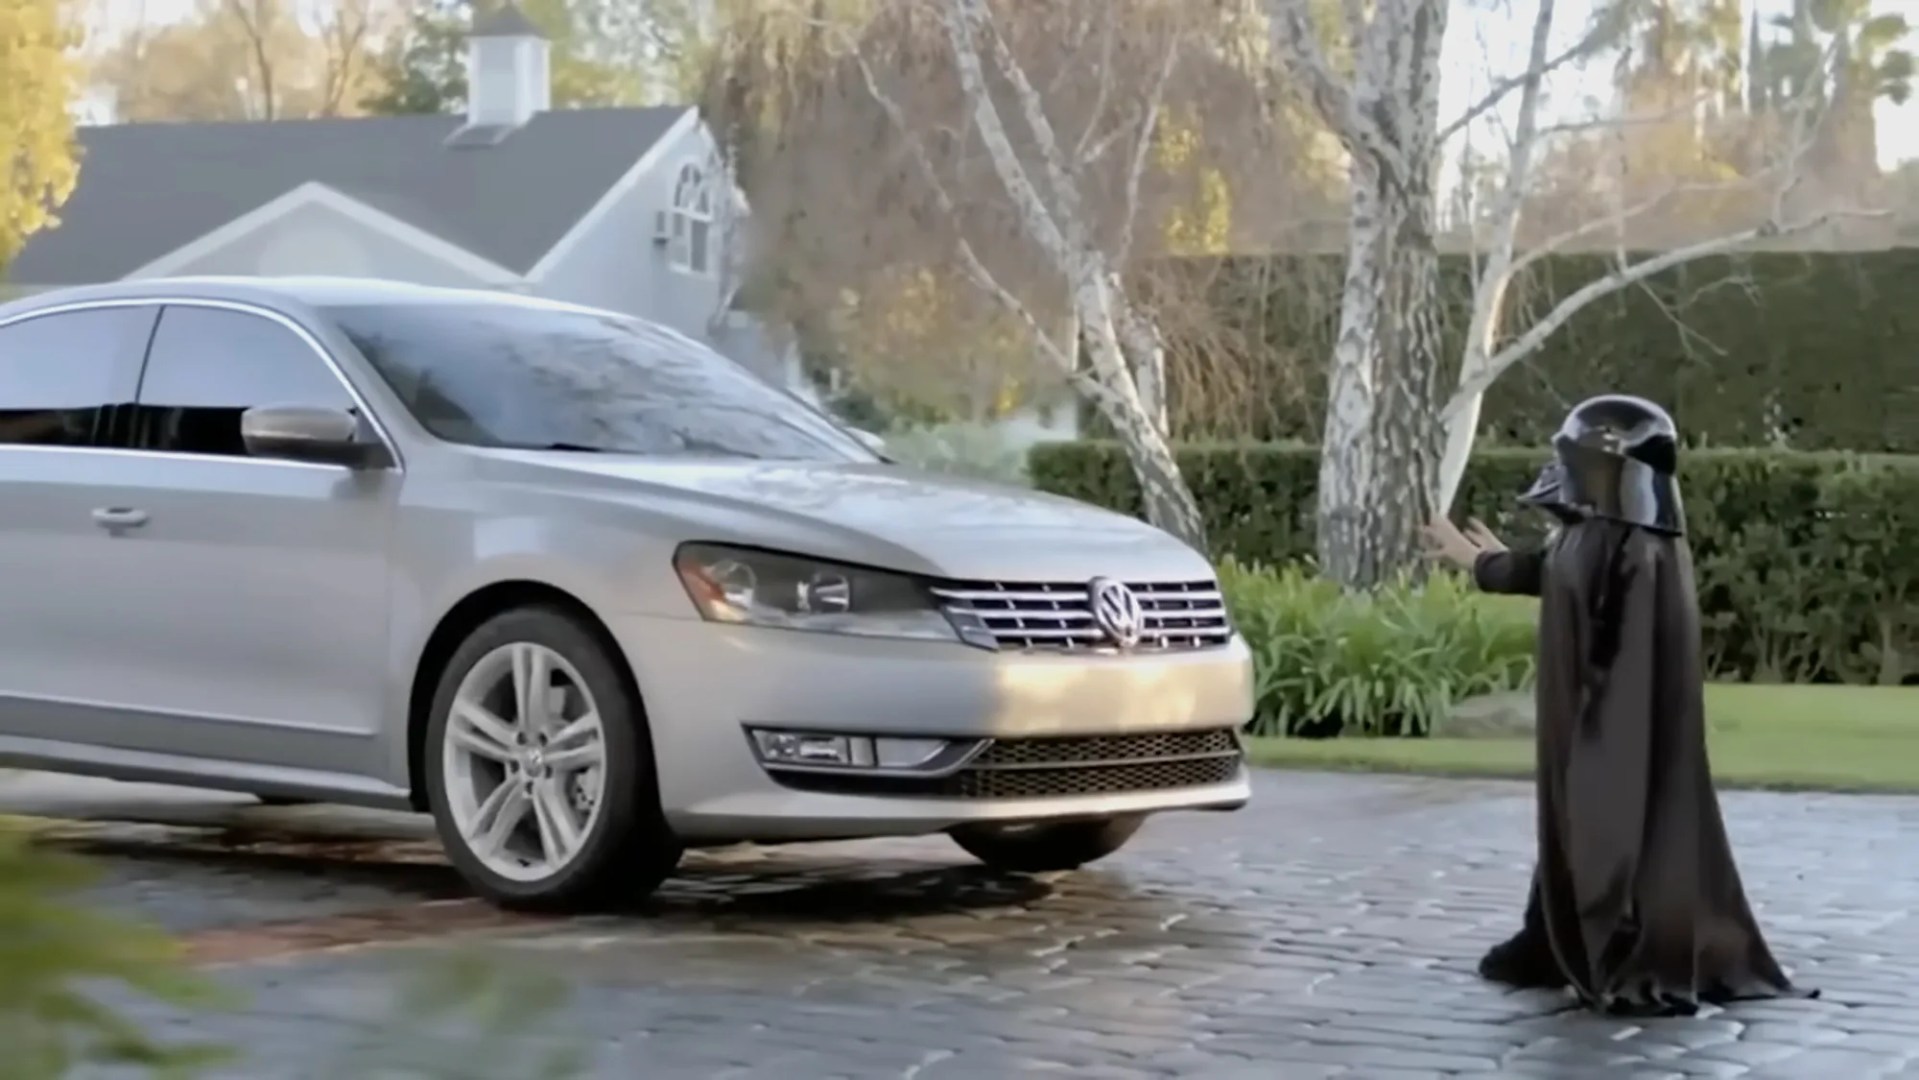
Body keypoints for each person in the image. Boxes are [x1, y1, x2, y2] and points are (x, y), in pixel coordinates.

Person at [1421, 393, 1813, 1017]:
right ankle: (1555, 934)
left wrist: (1604, 731)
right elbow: (1557, 571)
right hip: (1593, 712)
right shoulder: (1611, 536)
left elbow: (1586, 594)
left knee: (1612, 818)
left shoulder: (1631, 544)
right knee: (1581, 816)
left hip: (1613, 718)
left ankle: (1623, 942)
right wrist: (1483, 562)